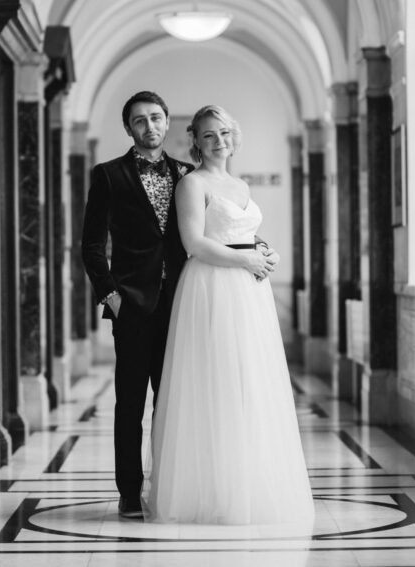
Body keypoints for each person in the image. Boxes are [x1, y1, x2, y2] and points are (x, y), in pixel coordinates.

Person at [80, 92, 281, 519]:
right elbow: (92, 247)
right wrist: (112, 298)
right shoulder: (108, 175)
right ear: (129, 128)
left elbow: (217, 228)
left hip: (186, 304)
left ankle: (172, 486)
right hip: (133, 306)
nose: (149, 126)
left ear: (168, 122)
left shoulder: (187, 174)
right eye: (139, 121)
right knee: (130, 403)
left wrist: (259, 247)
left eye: (156, 118)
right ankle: (130, 491)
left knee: (178, 400)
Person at [142, 105, 315, 525]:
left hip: (249, 293)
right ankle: (208, 490)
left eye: (224, 133)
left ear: (233, 137)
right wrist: (247, 262)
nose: (218, 141)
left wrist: (264, 251)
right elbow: (194, 244)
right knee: (214, 383)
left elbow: (242, 234)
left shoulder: (240, 184)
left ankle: (248, 482)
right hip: (211, 287)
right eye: (208, 135)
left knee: (250, 383)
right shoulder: (192, 184)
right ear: (195, 142)